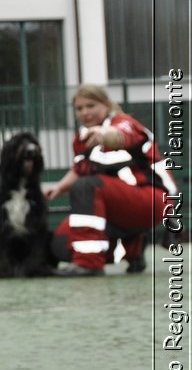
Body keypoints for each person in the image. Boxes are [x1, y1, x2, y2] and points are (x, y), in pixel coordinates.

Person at [43, 84, 176, 275]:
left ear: (106, 105)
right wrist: (58, 188)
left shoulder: (124, 123)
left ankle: (89, 265)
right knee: (62, 243)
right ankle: (132, 248)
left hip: (152, 198)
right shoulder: (82, 138)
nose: (85, 112)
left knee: (87, 187)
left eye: (91, 106)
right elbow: (80, 169)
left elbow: (121, 135)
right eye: (79, 108)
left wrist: (104, 134)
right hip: (115, 204)